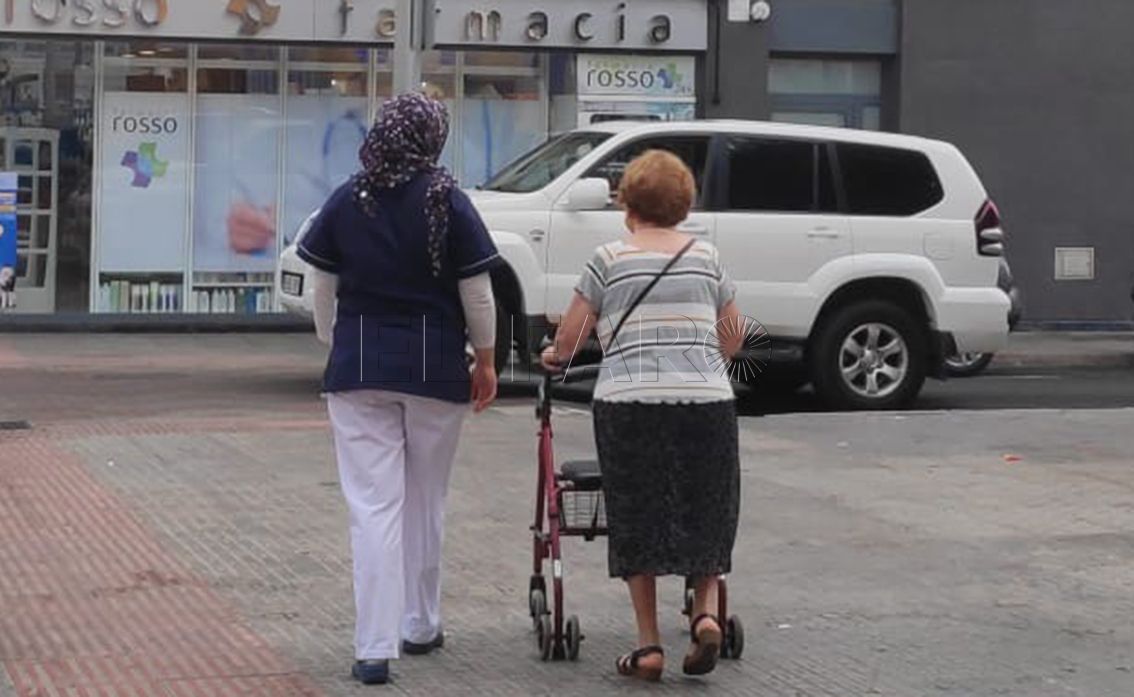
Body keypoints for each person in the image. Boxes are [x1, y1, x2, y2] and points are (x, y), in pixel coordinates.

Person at [298, 93, 502, 686]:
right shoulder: (448, 199)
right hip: (436, 368)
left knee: (372, 507)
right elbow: (477, 293)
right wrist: (487, 362)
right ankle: (421, 623)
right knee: (425, 500)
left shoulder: (349, 198)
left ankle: (372, 647)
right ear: (433, 137)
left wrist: (335, 341)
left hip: (359, 366)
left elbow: (322, 286)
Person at [541, 150, 743, 681]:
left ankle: (649, 645)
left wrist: (555, 355)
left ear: (627, 204)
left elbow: (572, 339)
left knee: (638, 512)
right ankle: (705, 612)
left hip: (629, 404)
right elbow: (733, 339)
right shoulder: (708, 257)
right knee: (707, 503)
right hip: (707, 402)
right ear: (684, 204)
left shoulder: (608, 258)